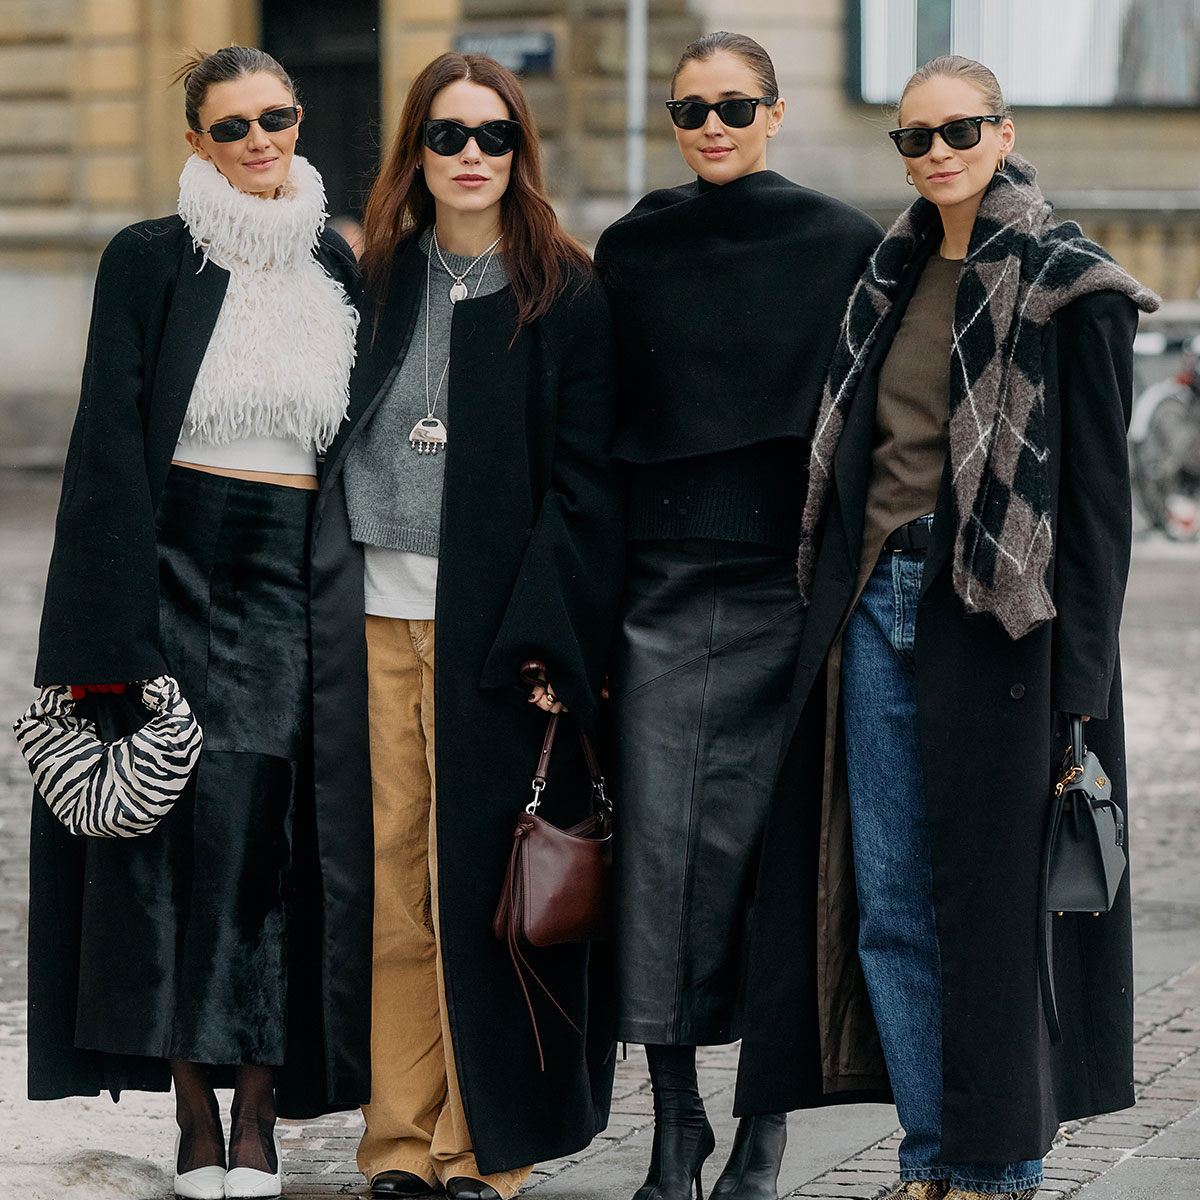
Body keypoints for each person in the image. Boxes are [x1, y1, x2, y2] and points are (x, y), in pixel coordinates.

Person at [733, 56, 1158, 1200]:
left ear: (1003, 130)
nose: (936, 153)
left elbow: (1101, 517)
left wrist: (1082, 687)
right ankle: (932, 1156)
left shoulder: (1076, 289)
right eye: (914, 139)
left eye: (959, 130)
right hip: (874, 604)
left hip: (999, 623)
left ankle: (997, 1166)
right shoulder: (889, 275)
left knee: (990, 915)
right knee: (891, 902)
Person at [28, 45, 372, 1200]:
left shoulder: (338, 258)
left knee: (265, 839)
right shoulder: (149, 258)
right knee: (163, 838)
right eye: (234, 127)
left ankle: (261, 1114)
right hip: (168, 557)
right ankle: (189, 1115)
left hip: (289, 570)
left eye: (276, 116)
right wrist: (100, 641)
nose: (262, 140)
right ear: (197, 142)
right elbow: (105, 447)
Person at [330, 51, 624, 1200]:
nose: (470, 156)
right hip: (370, 619)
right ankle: (399, 1142)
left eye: (493, 136)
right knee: (394, 884)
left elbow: (587, 486)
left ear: (520, 150)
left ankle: (481, 1146)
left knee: (478, 892)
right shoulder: (373, 279)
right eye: (448, 135)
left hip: (496, 642)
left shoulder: (565, 289)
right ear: (418, 148)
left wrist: (549, 635)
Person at [593, 31, 881, 1200]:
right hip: (657, 587)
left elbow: (865, 426)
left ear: (773, 111)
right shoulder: (634, 245)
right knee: (655, 860)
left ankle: (763, 1133)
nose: (711, 125)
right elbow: (597, 424)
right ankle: (675, 1124)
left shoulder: (843, 243)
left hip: (785, 588)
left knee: (774, 864)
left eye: (733, 106)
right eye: (690, 108)